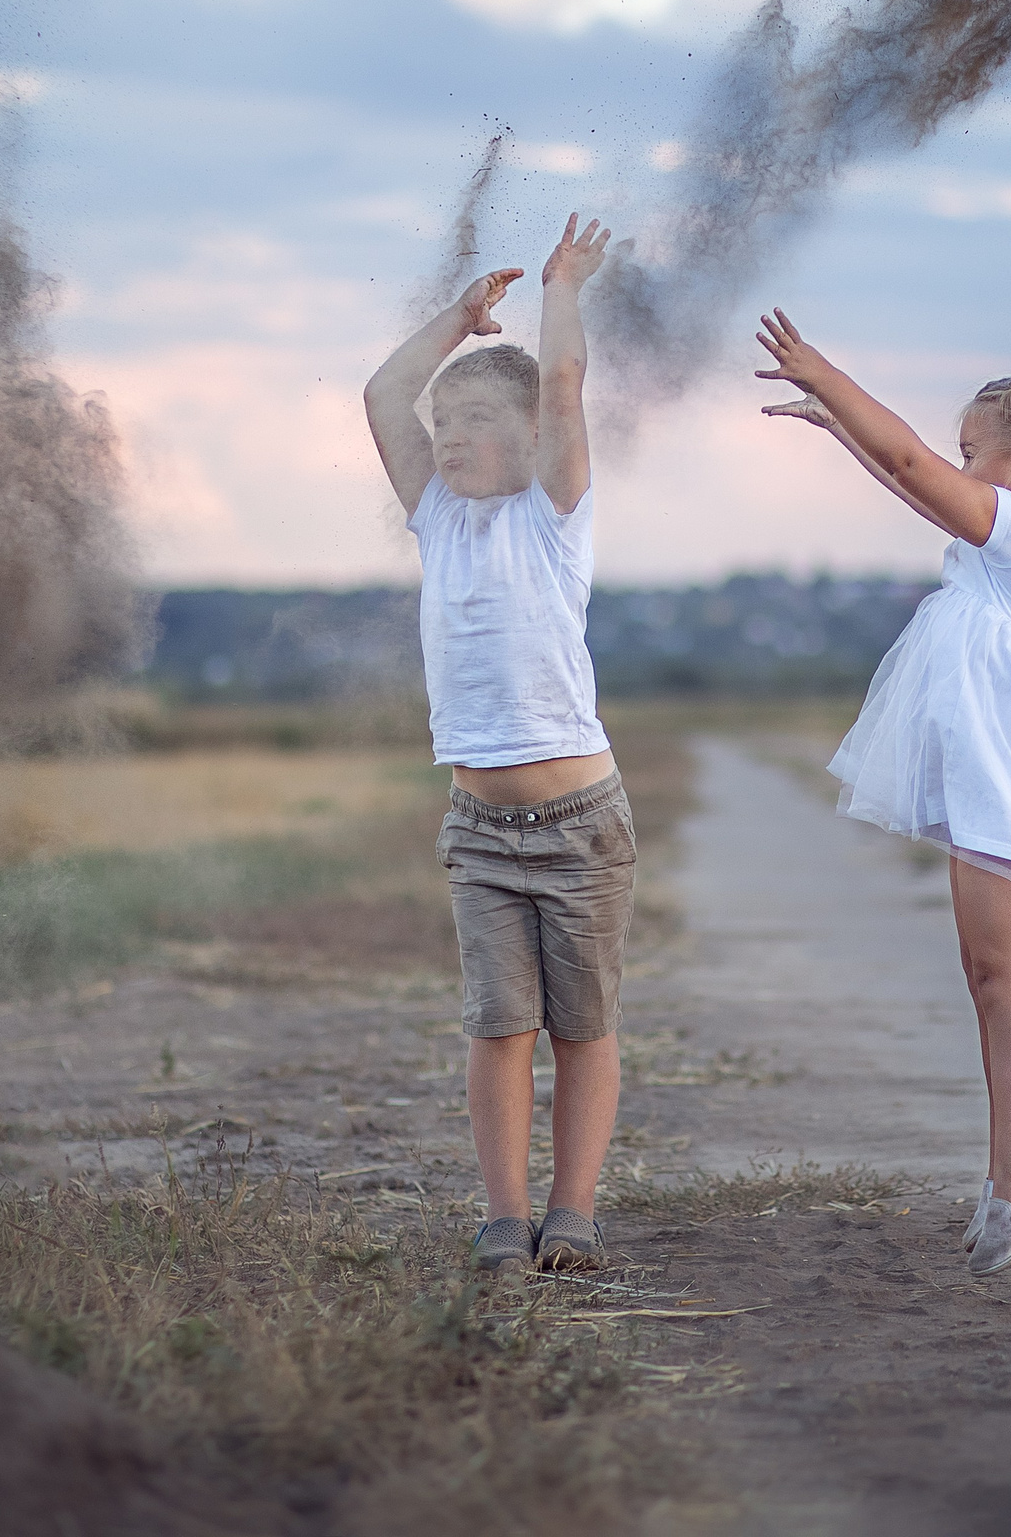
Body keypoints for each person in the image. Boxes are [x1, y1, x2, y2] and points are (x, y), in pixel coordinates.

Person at [756, 310, 1011, 1275]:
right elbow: (915, 483)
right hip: (995, 774)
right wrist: (845, 434)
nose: (958, 466)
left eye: (976, 452)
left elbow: (919, 473)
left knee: (1009, 982)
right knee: (986, 976)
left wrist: (828, 376)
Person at [364, 213, 632, 1279]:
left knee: (582, 1027)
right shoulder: (435, 515)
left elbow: (563, 384)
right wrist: (458, 324)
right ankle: (501, 1216)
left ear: (529, 440)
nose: (453, 435)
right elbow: (385, 397)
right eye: (450, 423)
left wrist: (562, 287)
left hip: (579, 826)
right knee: (495, 1027)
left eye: (478, 419)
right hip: (478, 827)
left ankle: (573, 1212)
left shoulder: (552, 517)